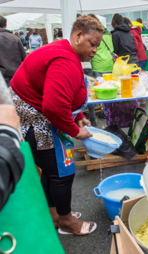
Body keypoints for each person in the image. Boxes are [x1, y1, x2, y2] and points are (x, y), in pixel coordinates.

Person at [10, 15, 104, 235]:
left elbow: (62, 93)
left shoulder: (63, 50)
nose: (95, 50)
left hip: (31, 118)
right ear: (78, 35)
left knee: (51, 172)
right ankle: (67, 222)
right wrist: (75, 131)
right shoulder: (65, 61)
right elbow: (53, 107)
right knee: (62, 172)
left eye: (97, 46)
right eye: (92, 43)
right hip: (38, 122)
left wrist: (78, 114)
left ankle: (54, 215)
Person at [0, 16, 26, 87]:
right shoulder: (15, 38)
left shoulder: (15, 38)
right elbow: (24, 57)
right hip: (15, 73)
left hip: (2, 74)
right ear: (6, 25)